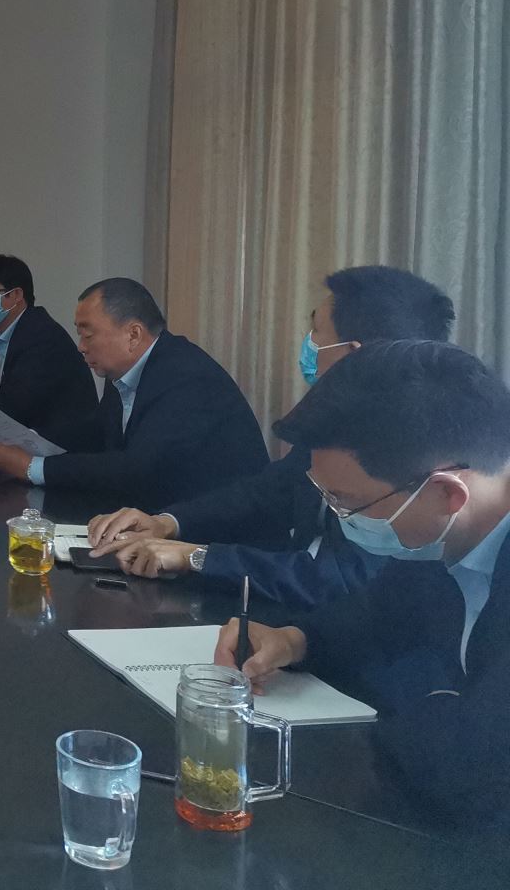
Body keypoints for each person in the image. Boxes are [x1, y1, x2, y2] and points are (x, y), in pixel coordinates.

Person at [215, 341, 510, 831]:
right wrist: (293, 639)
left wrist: (424, 699)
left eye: (346, 501)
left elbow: (469, 768)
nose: (338, 516)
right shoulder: (444, 538)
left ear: (446, 494)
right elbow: (379, 612)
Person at [88, 267, 455, 606]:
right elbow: (268, 491)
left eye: (316, 332)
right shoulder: (334, 422)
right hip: (294, 618)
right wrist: (168, 522)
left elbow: (337, 580)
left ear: (353, 356)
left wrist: (197, 557)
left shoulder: (410, 451)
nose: (307, 343)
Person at [0, 278, 267, 509]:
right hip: (155, 516)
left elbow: (137, 469)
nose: (80, 346)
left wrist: (32, 467)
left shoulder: (185, 376)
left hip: (219, 540)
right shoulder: (124, 371)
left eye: (88, 335)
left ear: (133, 334)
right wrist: (28, 441)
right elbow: (96, 431)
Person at [0, 254, 98, 449]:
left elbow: (15, 405)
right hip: (25, 437)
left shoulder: (41, 335)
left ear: (16, 294)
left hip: (60, 447)